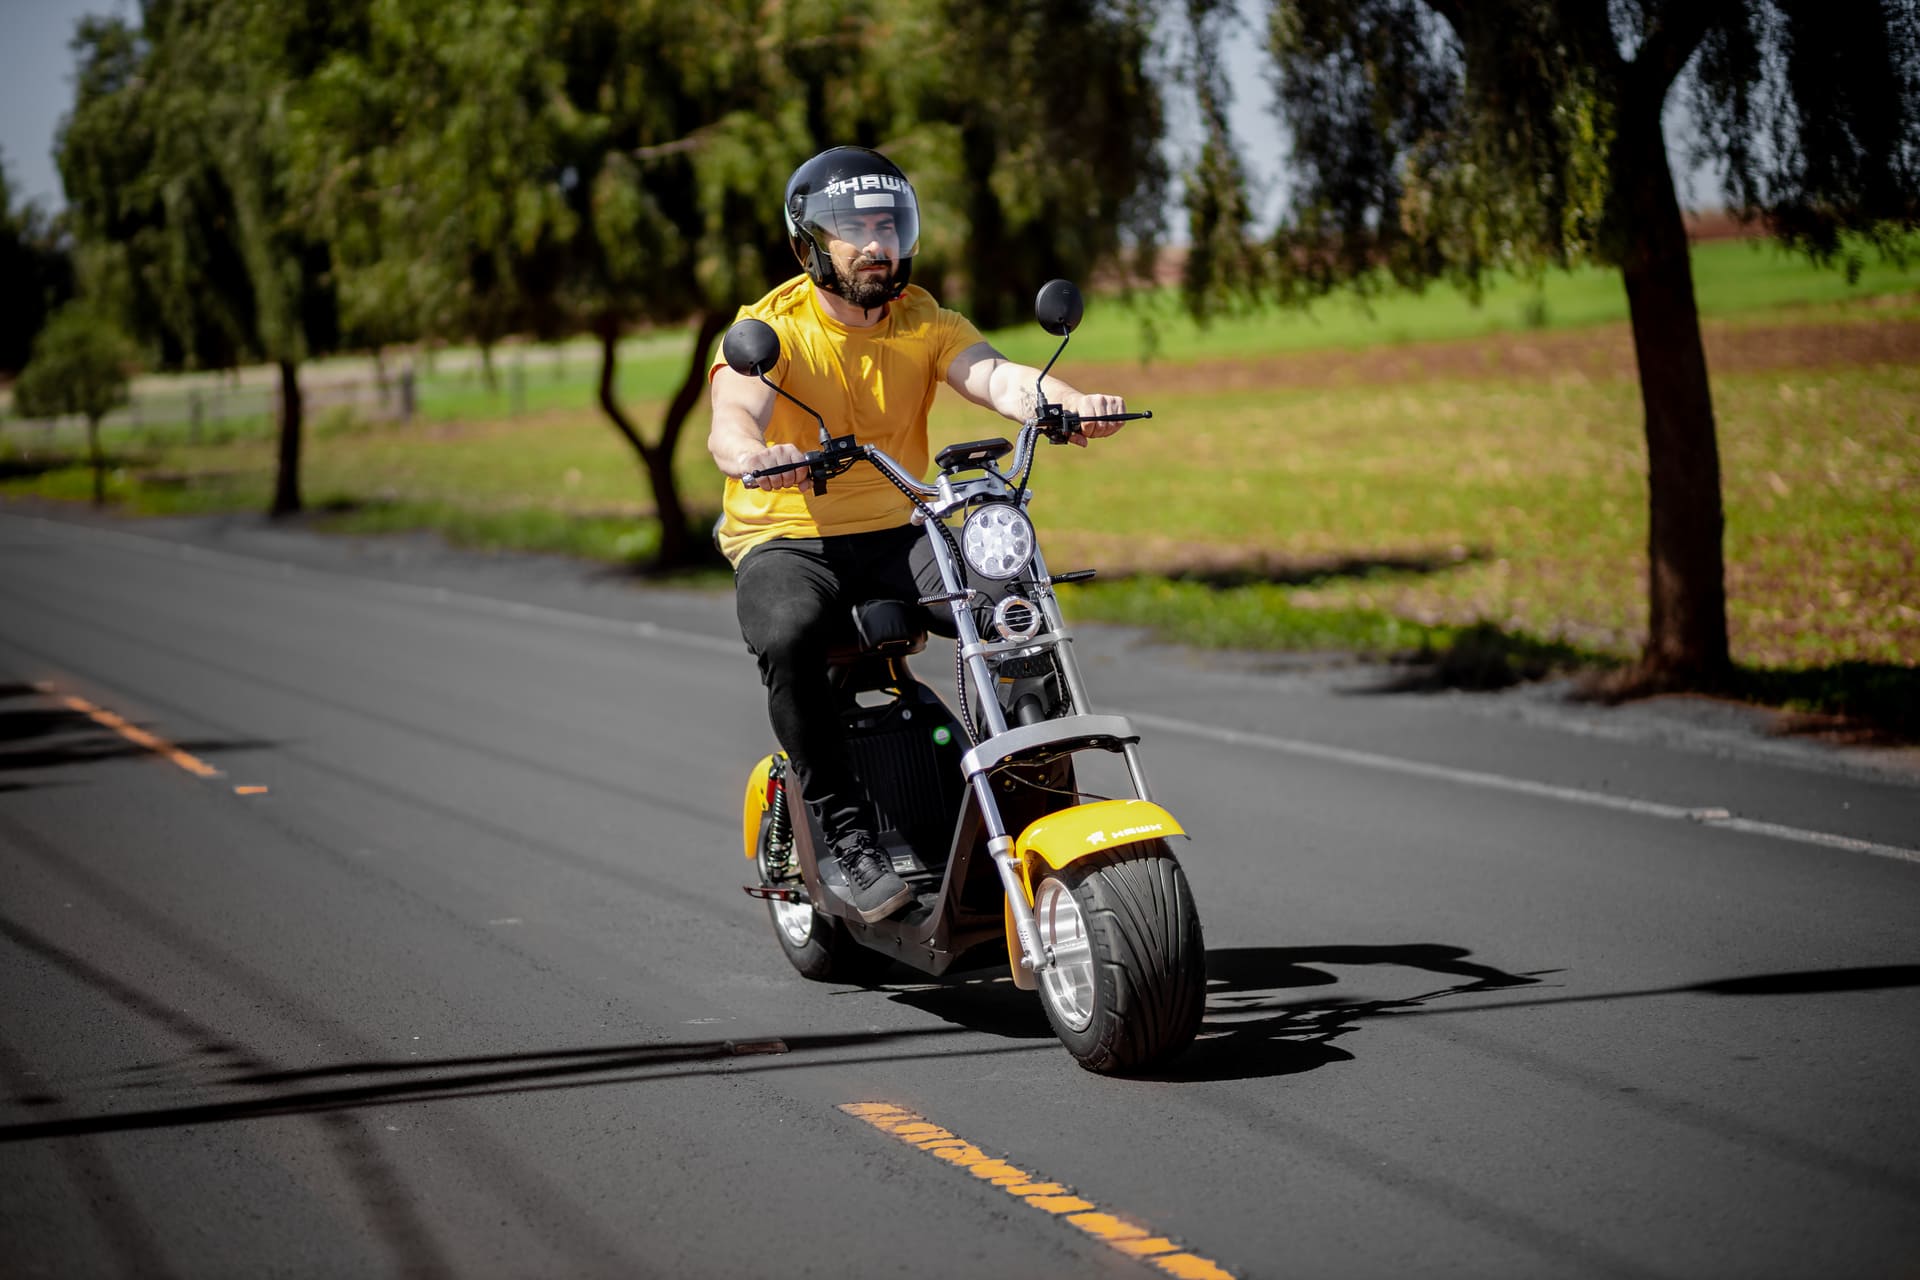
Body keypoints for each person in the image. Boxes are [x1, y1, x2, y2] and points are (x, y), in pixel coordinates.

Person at [707, 145, 1129, 924]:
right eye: (852, 229)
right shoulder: (769, 330)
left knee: (1010, 599)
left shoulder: (924, 319)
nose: (875, 244)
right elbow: (731, 420)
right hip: (787, 535)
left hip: (900, 527)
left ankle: (1032, 794)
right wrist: (755, 456)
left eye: (886, 225)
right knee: (793, 630)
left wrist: (1067, 401)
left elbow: (996, 376)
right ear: (810, 245)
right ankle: (844, 826)